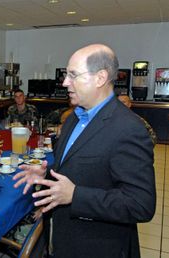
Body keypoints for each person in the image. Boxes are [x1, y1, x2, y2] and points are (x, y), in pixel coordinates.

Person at [13, 44, 155, 258]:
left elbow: (141, 204)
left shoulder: (128, 128)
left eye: (72, 75)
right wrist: (46, 175)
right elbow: (80, 167)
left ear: (100, 78)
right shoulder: (75, 117)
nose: (64, 82)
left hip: (97, 247)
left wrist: (76, 195)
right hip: (61, 240)